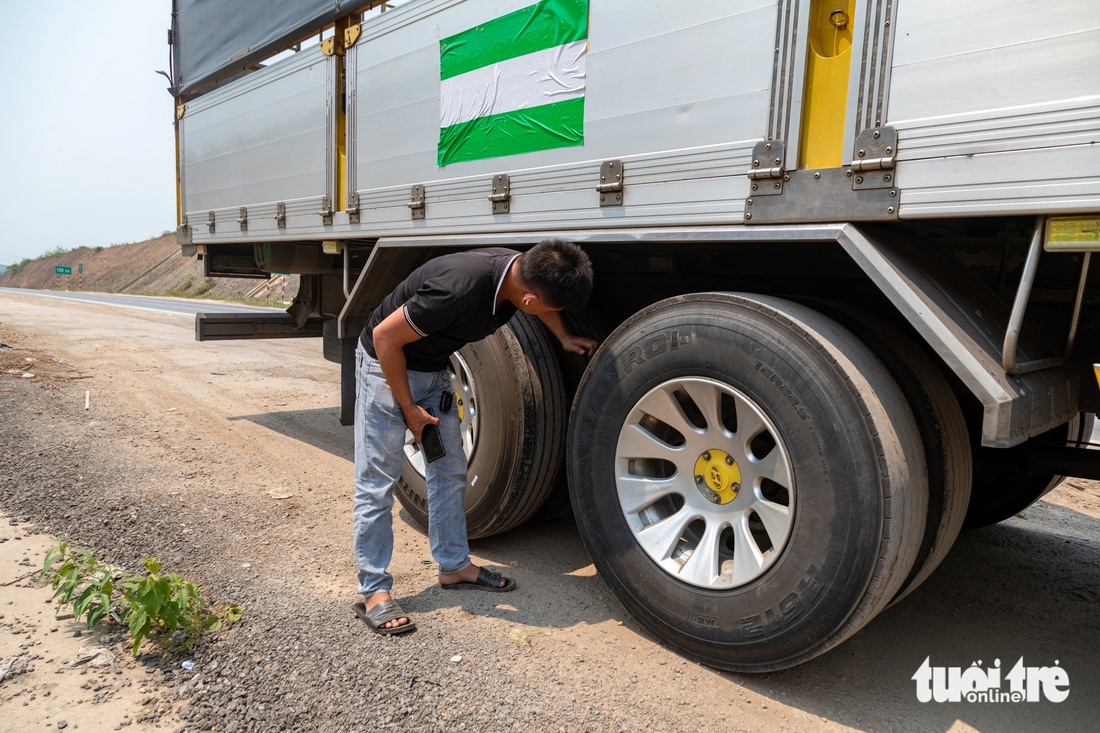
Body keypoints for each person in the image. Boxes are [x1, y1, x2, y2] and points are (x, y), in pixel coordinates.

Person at [352, 239, 597, 634]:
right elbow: (384, 338)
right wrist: (410, 411)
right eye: (552, 310)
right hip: (386, 369)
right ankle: (374, 590)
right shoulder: (458, 289)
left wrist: (564, 336)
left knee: (449, 473)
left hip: (433, 371)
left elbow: (542, 304)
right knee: (377, 481)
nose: (553, 314)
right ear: (531, 299)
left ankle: (454, 566)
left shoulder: (518, 274)